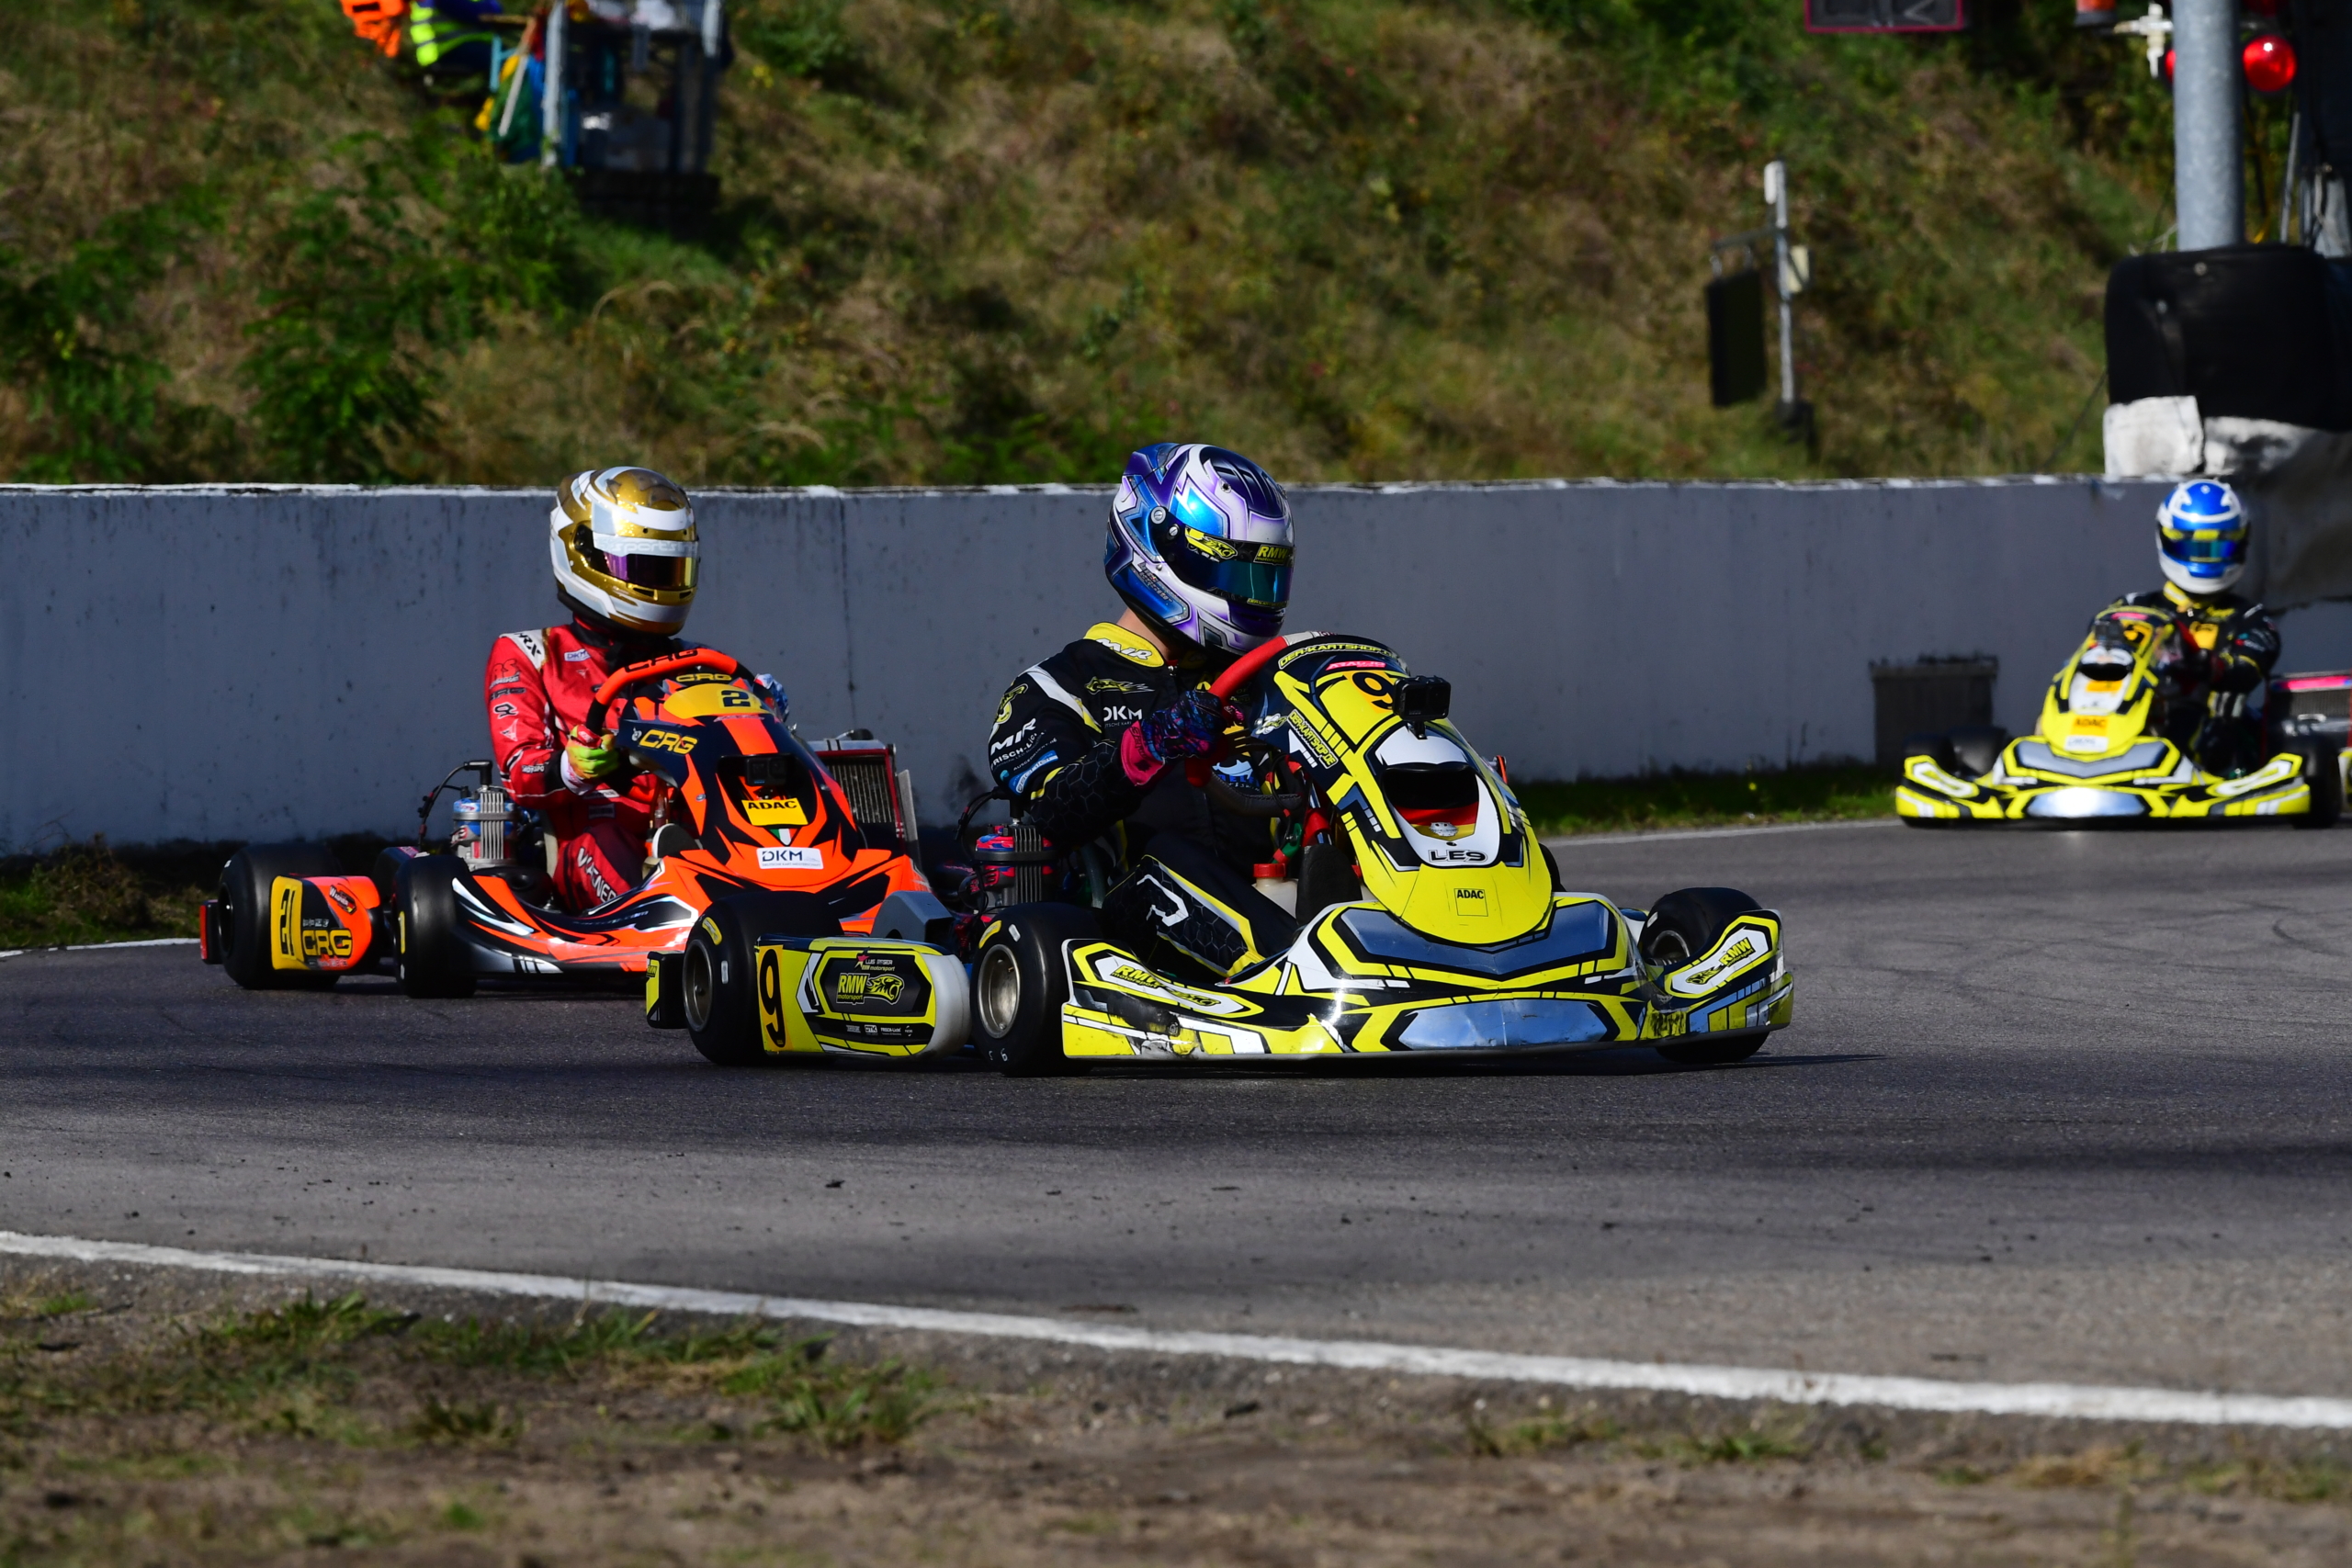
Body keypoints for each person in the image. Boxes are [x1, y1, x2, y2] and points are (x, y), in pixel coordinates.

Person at [985, 443, 1298, 981]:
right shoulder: (1056, 687)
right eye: (1235, 572)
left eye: (1262, 576)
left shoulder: (1267, 683)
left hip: (1280, 907)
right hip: (1132, 939)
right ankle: (1292, 974)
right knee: (1169, 858)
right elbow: (1057, 811)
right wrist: (1150, 745)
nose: (1251, 594)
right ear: (1160, 546)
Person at [484, 467, 700, 910]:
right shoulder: (532, 654)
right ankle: (661, 918)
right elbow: (519, 771)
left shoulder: (699, 665)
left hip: (695, 836)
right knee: (604, 840)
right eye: (644, 567)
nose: (659, 585)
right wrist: (570, 767)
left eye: (670, 570)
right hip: (586, 841)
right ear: (584, 556)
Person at [2088, 478, 2278, 775]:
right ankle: (2069, 748)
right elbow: (2097, 646)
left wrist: (2204, 664)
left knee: (2189, 716)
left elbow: (2248, 668)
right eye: (2194, 546)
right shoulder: (2133, 606)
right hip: (2129, 713)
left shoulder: (2250, 617)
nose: (2205, 556)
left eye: (2218, 546)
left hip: (2211, 733)